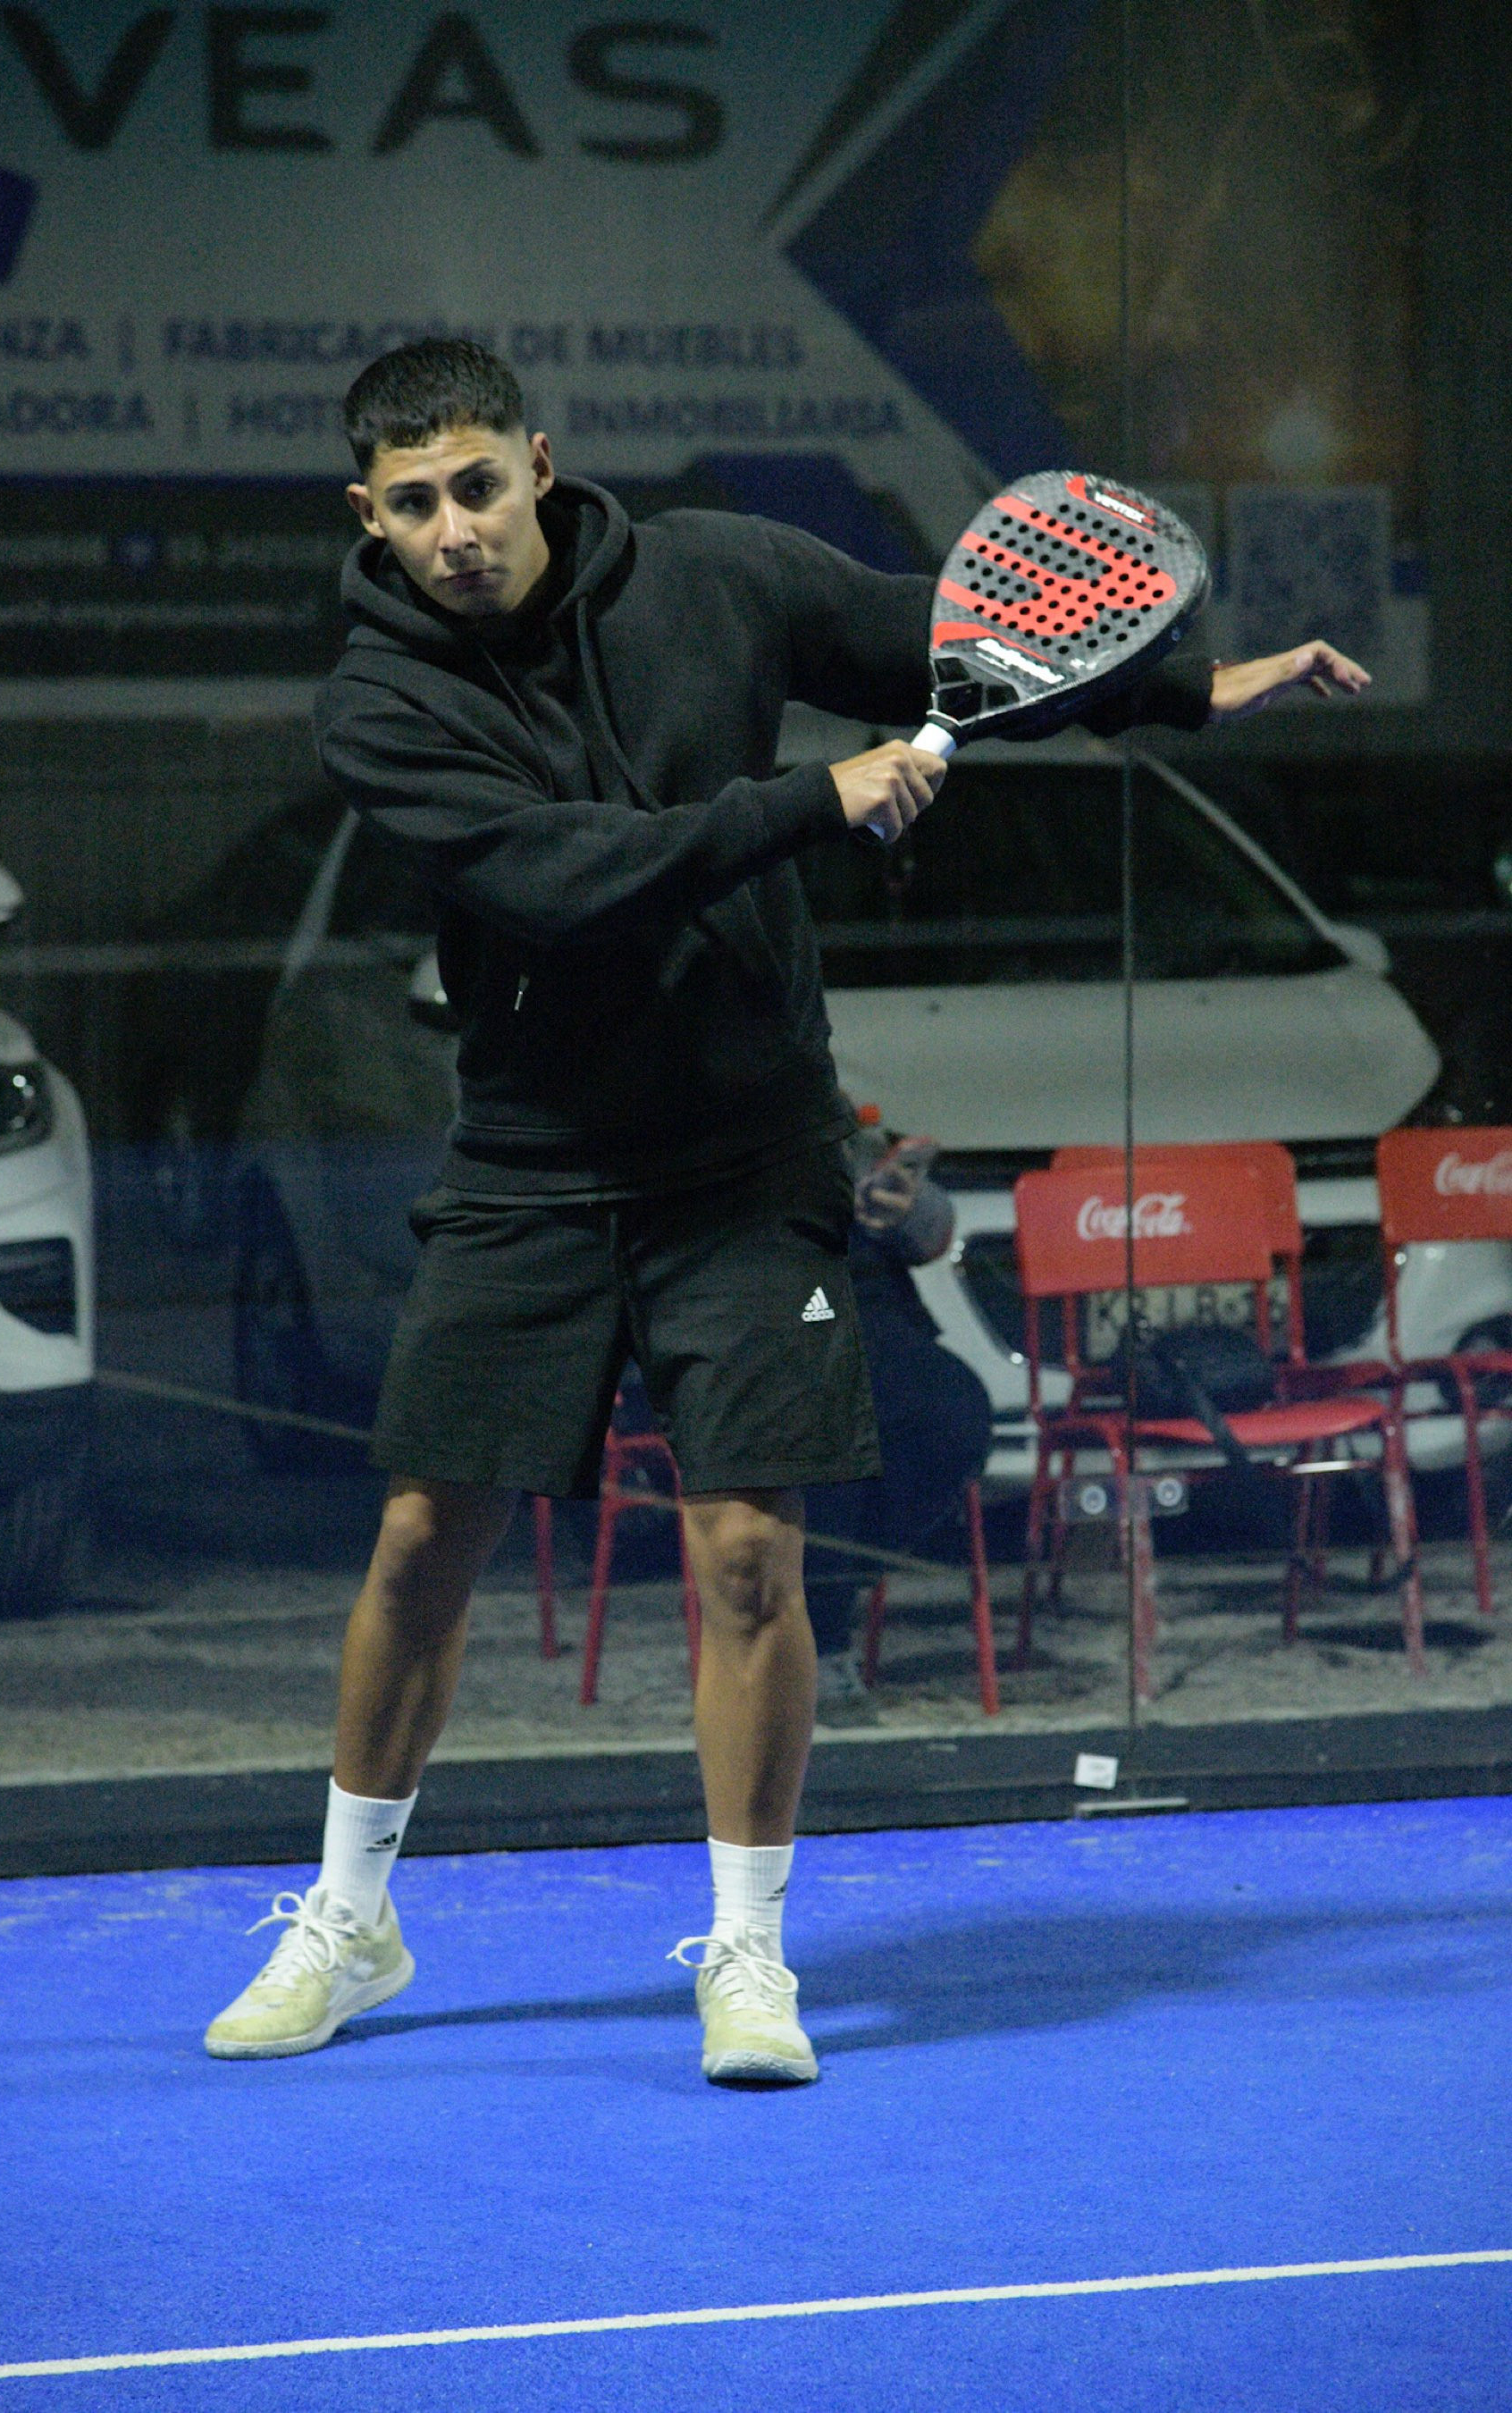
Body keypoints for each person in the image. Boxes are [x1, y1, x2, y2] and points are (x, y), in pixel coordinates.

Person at [204, 336, 1369, 2083]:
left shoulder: (720, 575)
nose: (456, 530)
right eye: (416, 504)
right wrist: (811, 801)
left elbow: (967, 645)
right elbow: (562, 875)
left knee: (748, 1550)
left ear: (538, 464)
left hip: (748, 1160)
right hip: (531, 1170)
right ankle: (349, 1920)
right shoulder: (381, 703)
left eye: (479, 487)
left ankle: (748, 1954)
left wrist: (1192, 693)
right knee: (424, 1535)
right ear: (368, 517)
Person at [806, 1120, 991, 1721]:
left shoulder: (833, 1114)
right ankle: (820, 1640)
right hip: (768, 1325)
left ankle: (847, 1568)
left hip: (876, 1326)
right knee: (827, 1431)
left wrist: (905, 1203)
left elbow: (930, 1235)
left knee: (956, 1411)